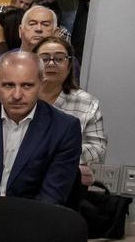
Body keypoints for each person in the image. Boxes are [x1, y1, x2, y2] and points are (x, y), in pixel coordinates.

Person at [0, 52, 81, 204]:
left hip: (34, 220)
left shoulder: (64, 128)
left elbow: (52, 195)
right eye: (8, 85)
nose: (17, 95)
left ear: (41, 84)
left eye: (27, 85)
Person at [35, 36, 107, 186]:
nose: (51, 63)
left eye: (59, 59)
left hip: (62, 178)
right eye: (44, 58)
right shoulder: (16, 95)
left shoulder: (87, 102)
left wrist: (56, 156)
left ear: (69, 65)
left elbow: (97, 148)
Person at [0, 5, 58, 102]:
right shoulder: (2, 61)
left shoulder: (64, 61)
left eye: (45, 24)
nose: (39, 29)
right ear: (20, 31)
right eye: (32, 24)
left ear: (55, 32)